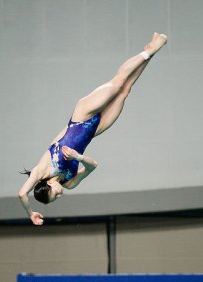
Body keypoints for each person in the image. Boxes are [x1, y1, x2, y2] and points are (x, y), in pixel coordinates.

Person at [19, 32, 167, 225]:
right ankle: (150, 53)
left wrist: (30, 213)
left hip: (81, 115)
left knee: (118, 83)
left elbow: (22, 193)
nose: (60, 195)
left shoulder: (42, 170)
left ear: (47, 185)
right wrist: (78, 157)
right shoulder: (69, 182)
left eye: (55, 195)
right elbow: (93, 166)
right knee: (125, 91)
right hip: (94, 130)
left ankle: (151, 50)